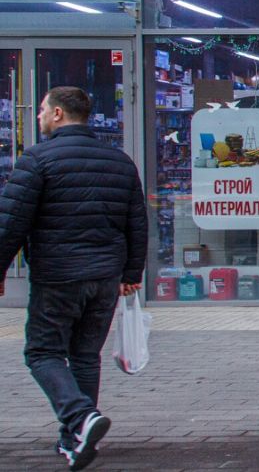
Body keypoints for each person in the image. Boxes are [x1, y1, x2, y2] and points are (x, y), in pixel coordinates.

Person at [0, 86, 147, 470]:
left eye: (42, 109)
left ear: (58, 114)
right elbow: (137, 222)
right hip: (105, 278)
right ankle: (75, 439)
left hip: (58, 276)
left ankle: (80, 417)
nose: (38, 116)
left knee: (42, 352)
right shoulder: (119, 161)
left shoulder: (37, 159)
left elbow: (11, 222)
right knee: (84, 355)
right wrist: (132, 272)